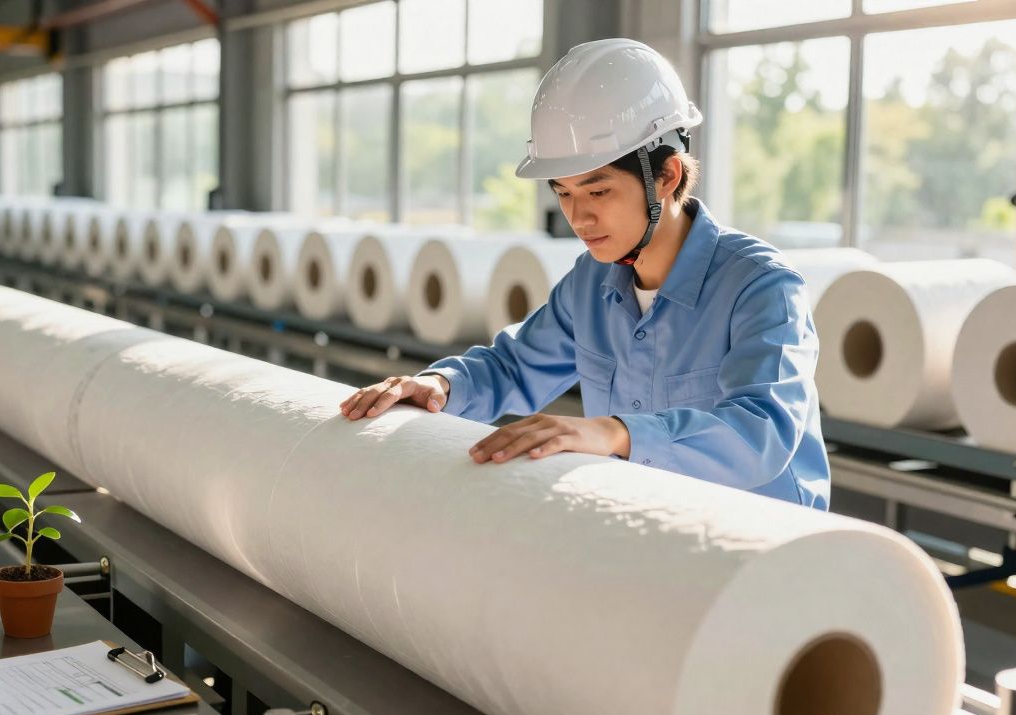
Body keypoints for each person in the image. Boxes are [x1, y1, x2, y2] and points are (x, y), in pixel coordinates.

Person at [339, 39, 830, 509]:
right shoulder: (591, 283)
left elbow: (761, 431)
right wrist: (443, 385)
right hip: (647, 533)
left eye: (598, 192)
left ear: (667, 176)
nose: (578, 218)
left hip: (764, 552)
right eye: (563, 192)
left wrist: (614, 432)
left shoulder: (761, 287)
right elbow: (514, 366)